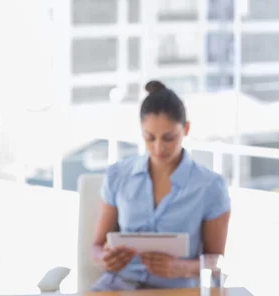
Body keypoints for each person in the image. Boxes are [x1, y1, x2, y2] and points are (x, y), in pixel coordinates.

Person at [89, 80, 231, 291]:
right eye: (149, 137)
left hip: (176, 290)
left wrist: (180, 268)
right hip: (118, 286)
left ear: (186, 129)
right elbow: (96, 247)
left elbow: (216, 262)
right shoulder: (118, 176)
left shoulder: (210, 186)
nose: (158, 147)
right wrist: (104, 259)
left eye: (169, 138)